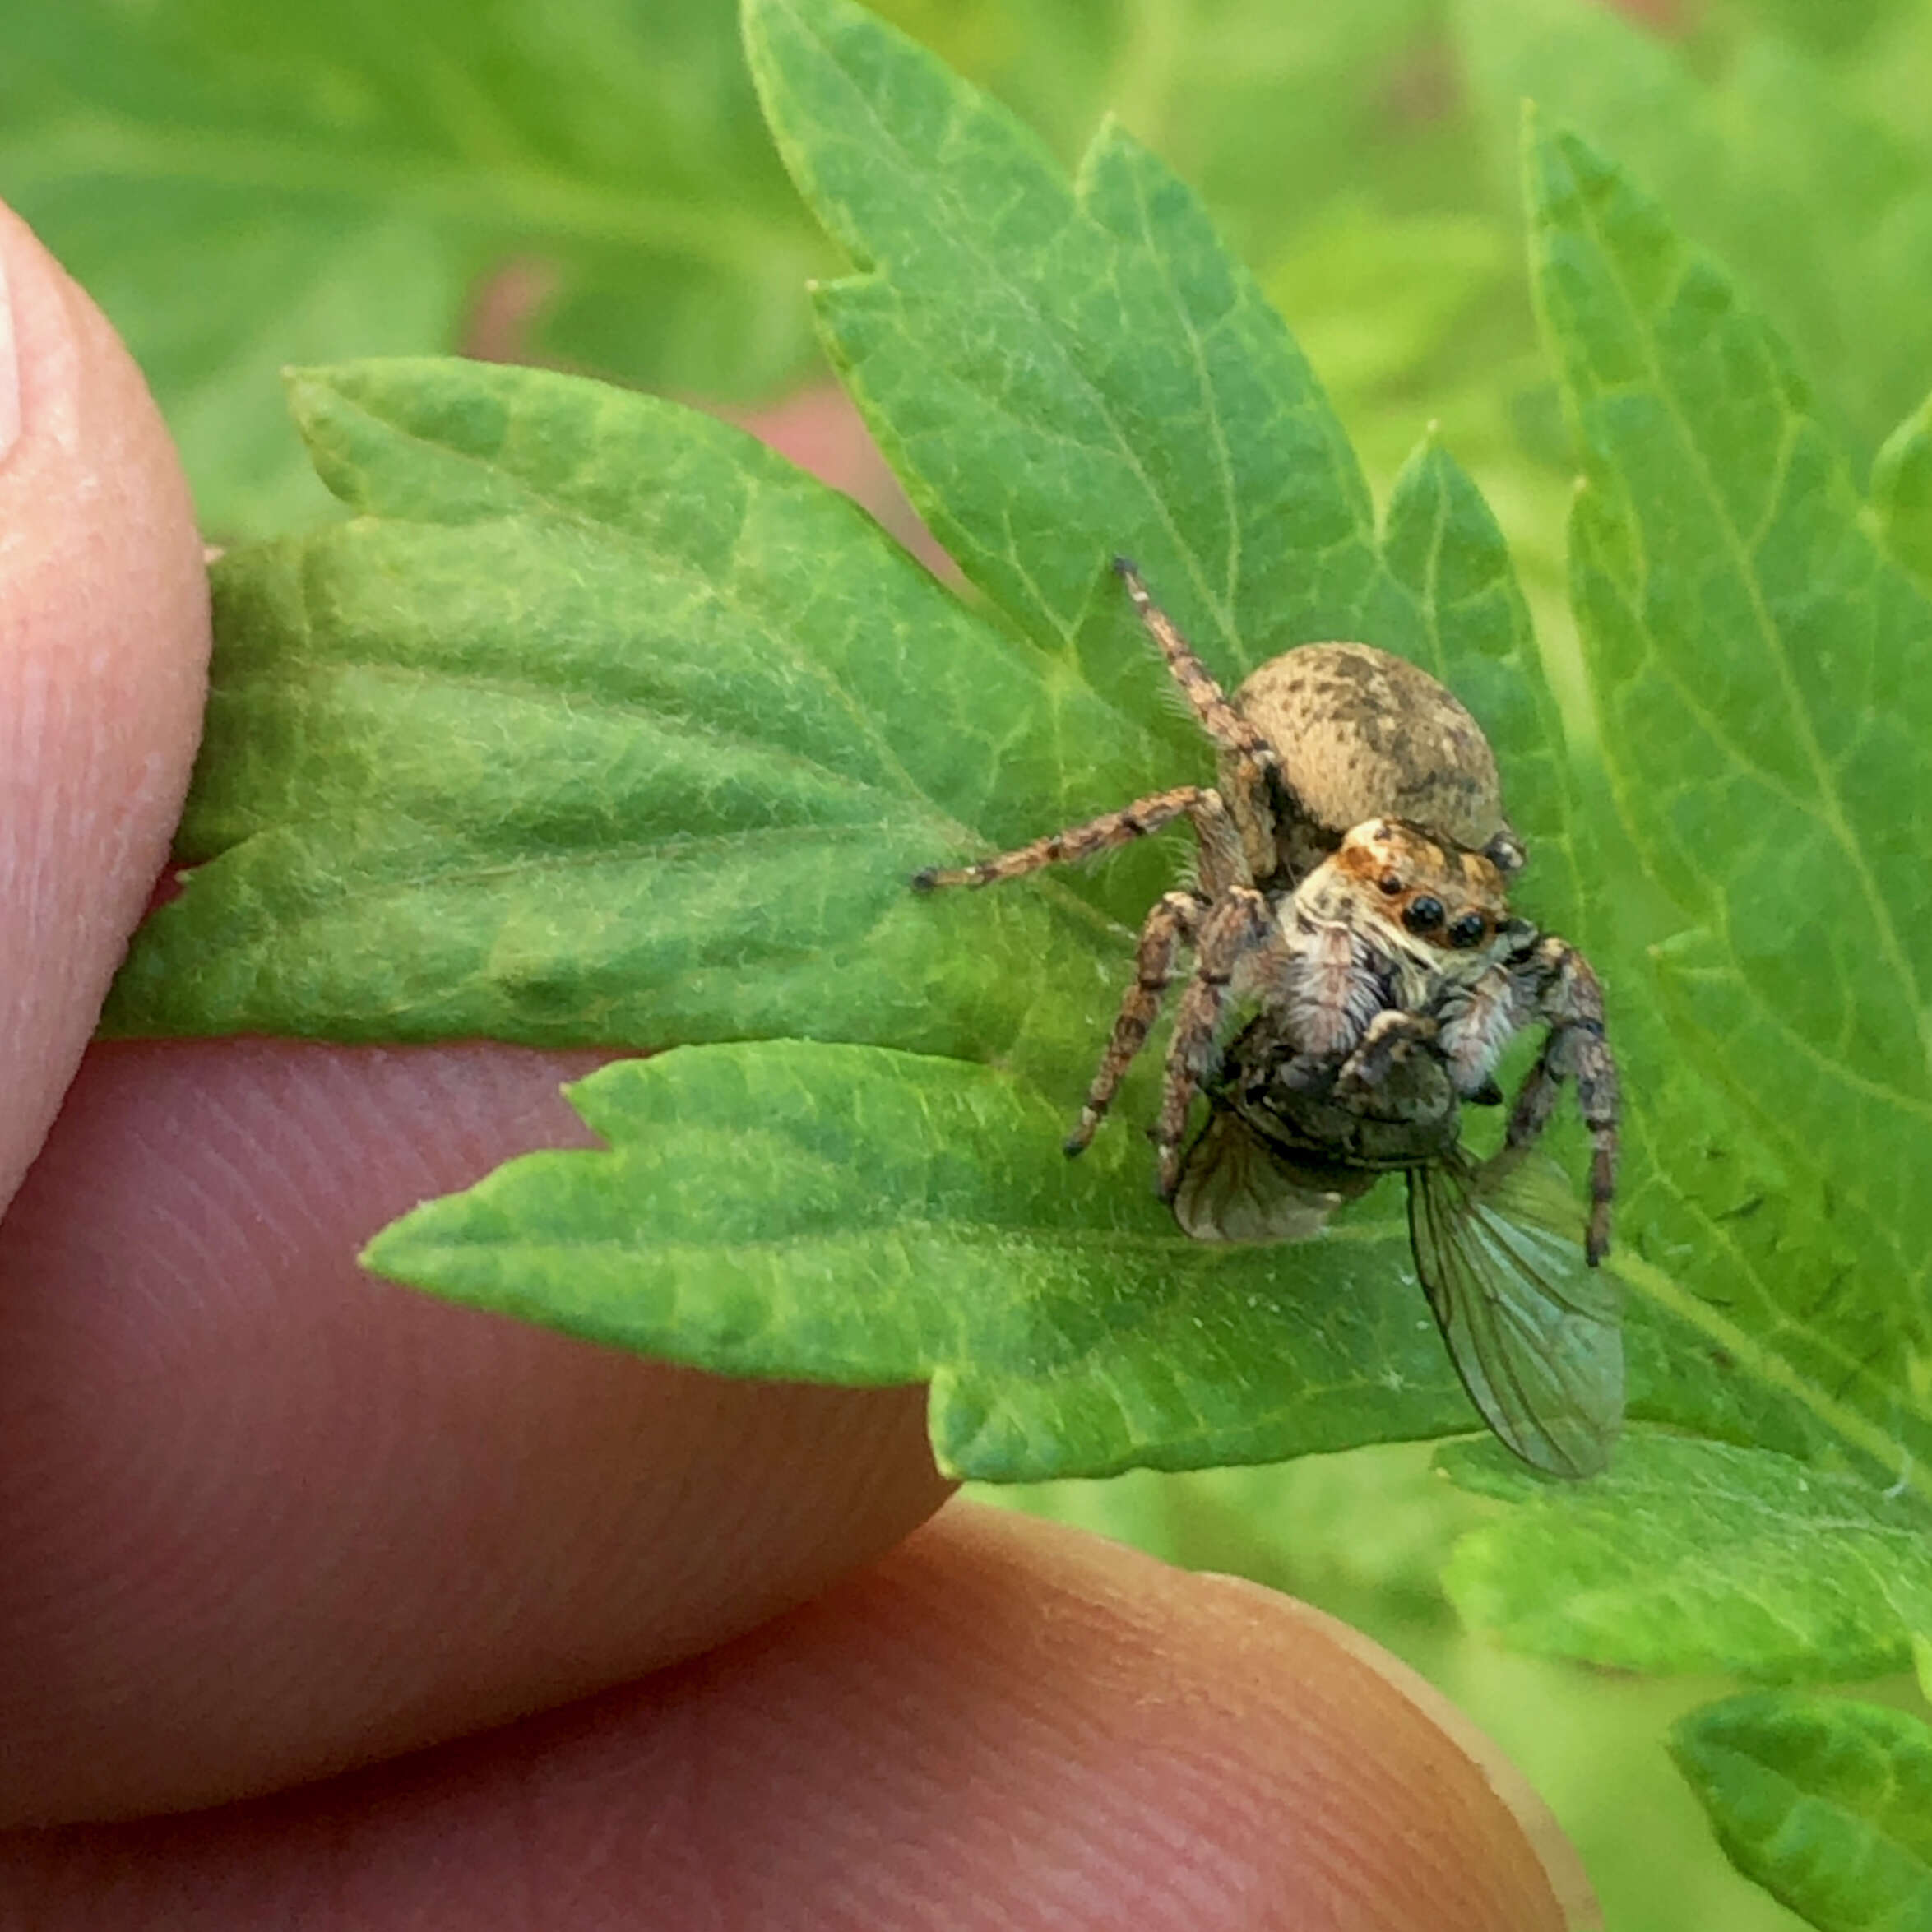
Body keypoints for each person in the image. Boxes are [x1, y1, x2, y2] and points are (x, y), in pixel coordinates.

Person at [0, 200, 1593, 1929]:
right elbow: (1198, 782)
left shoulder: (1447, 911)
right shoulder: (1249, 849)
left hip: (1427, 792)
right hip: (1338, 739)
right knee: (1174, 908)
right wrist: (1121, 1087)